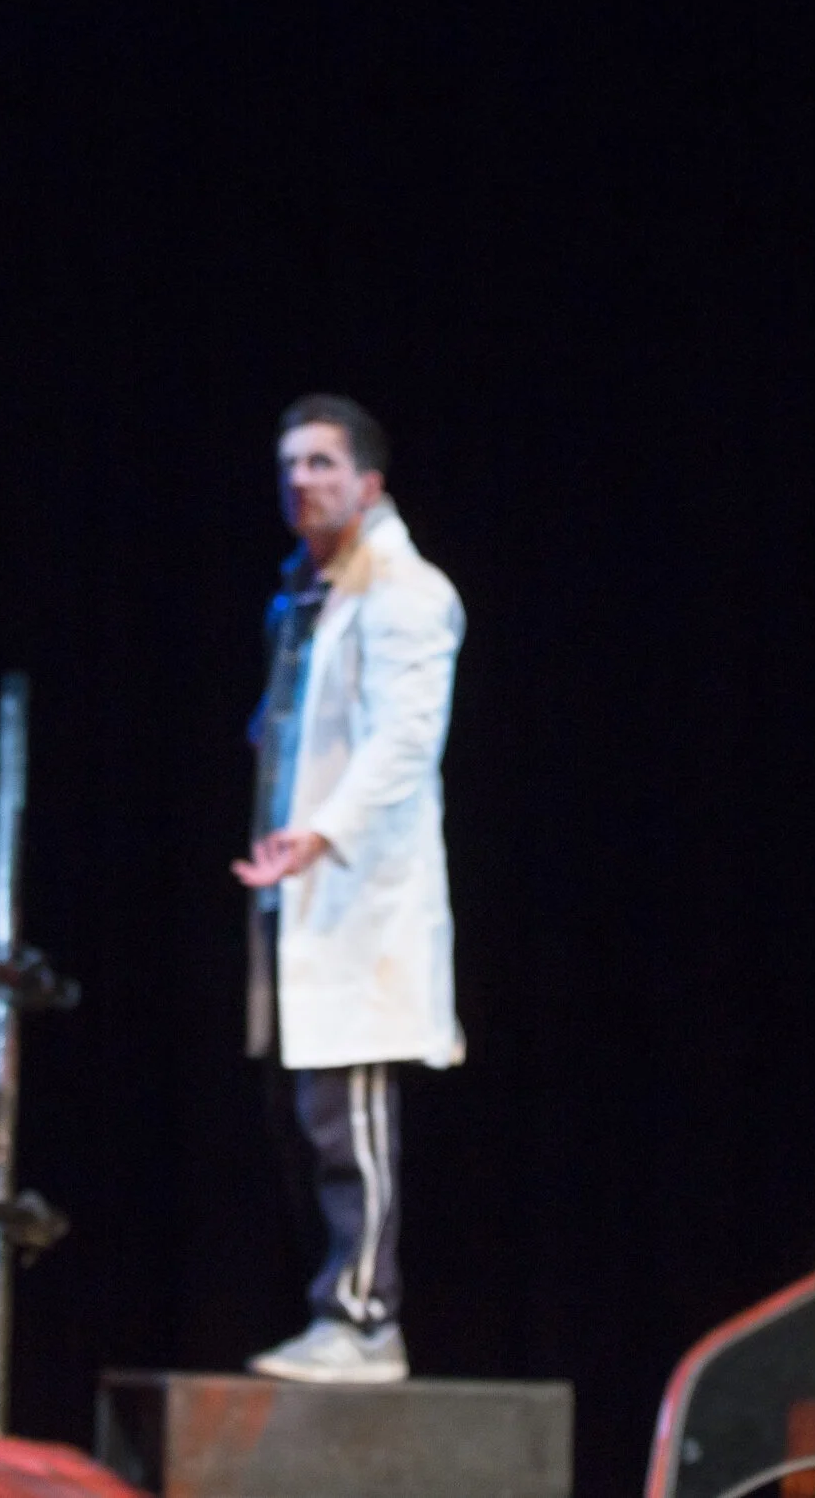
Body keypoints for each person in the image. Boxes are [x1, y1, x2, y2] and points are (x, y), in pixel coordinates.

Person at [233, 395, 466, 1384]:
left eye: (322, 463)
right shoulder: (303, 599)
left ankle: (366, 1318)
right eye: (290, 463)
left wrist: (322, 831)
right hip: (296, 888)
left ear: (368, 483)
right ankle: (334, 1310)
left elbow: (406, 740)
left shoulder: (407, 592)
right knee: (305, 1117)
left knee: (349, 1116)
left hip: (360, 893)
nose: (301, 479)